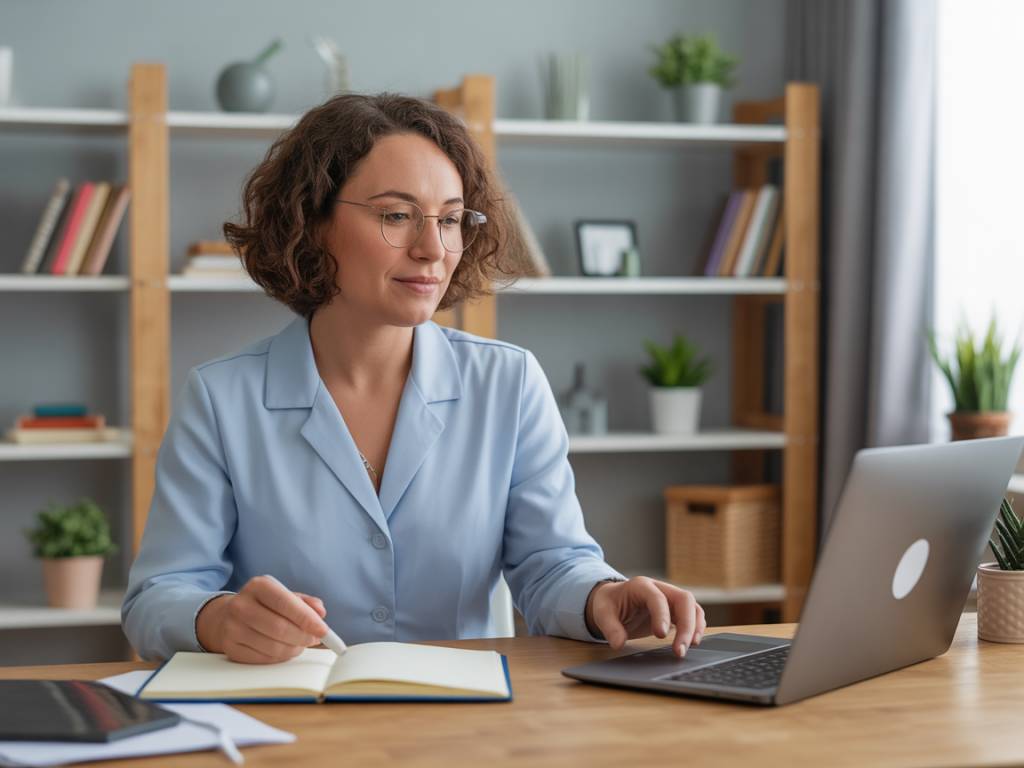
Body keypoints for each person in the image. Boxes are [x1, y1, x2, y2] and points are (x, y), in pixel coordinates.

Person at [121, 93, 706, 663]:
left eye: (450, 220)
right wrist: (216, 620)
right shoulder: (222, 399)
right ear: (312, 221)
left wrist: (602, 596)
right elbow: (157, 597)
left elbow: (551, 565)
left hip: (464, 729)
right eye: (397, 215)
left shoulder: (509, 382)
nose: (433, 248)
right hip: (290, 729)